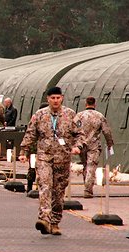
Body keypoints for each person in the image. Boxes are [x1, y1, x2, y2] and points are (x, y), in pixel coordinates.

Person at [19, 87, 84, 236]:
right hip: (44, 157)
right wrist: (24, 152)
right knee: (45, 185)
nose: (55, 101)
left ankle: (55, 221)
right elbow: (30, 133)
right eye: (52, 98)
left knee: (58, 191)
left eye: (58, 98)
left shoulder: (70, 115)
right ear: (48, 99)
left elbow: (80, 134)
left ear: (62, 98)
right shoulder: (40, 115)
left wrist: (77, 146)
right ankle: (44, 219)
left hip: (63, 158)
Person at [74, 96, 114, 198]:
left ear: (85, 104)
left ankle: (86, 185)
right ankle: (88, 190)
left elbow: (73, 129)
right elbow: (106, 131)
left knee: (85, 165)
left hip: (81, 144)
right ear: (94, 104)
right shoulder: (99, 116)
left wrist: (74, 143)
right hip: (94, 145)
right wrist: (110, 143)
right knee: (91, 166)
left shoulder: (79, 115)